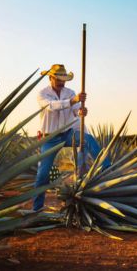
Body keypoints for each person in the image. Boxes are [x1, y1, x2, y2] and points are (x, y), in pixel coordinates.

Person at [32, 64, 111, 212]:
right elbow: (52, 106)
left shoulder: (70, 92)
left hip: (68, 133)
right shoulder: (42, 94)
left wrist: (81, 111)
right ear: (50, 78)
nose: (62, 83)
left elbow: (76, 111)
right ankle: (37, 209)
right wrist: (73, 101)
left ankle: (106, 168)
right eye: (59, 79)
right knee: (43, 174)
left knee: (88, 139)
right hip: (50, 138)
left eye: (64, 80)